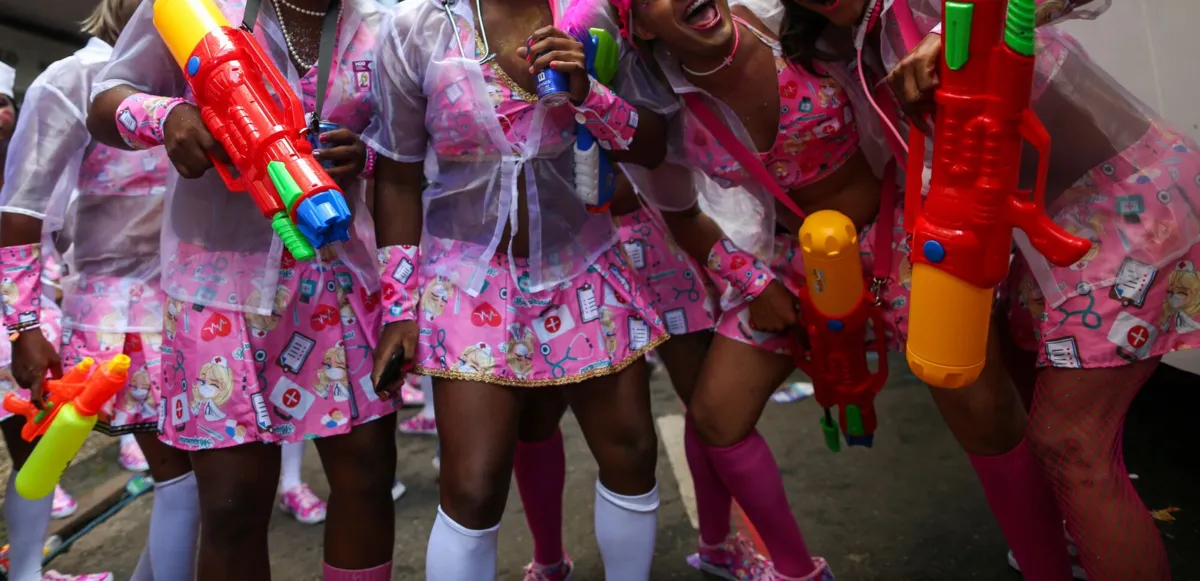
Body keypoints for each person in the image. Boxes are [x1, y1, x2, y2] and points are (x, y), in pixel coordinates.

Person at [785, 1, 1192, 579]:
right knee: (1045, 421)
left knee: (1070, 446)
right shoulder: (849, 42)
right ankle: (1086, 545)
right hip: (1038, 238)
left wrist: (966, 29)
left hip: (1126, 209)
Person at [87, 0, 400, 578]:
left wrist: (369, 155)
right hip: (219, 287)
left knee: (367, 475)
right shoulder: (198, 7)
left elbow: (412, 148)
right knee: (232, 504)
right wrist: (169, 118)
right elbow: (105, 101)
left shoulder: (385, 23)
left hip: (341, 280)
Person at [365, 0, 677, 576]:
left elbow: (652, 144)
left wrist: (589, 93)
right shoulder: (418, 28)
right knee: (474, 486)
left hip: (582, 266)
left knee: (631, 451)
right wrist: (400, 309)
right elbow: (397, 175)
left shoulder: (592, 18)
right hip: (466, 281)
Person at [1, 2, 202, 578]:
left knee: (191, 486)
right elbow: (19, 213)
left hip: (193, 311)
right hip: (117, 316)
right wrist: (24, 327)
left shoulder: (198, 78)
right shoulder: (76, 78)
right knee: (179, 482)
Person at [512, 174, 750, 581]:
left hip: (649, 236)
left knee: (707, 406)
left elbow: (648, 155)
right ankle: (548, 559)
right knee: (536, 414)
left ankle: (718, 545)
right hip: (570, 254)